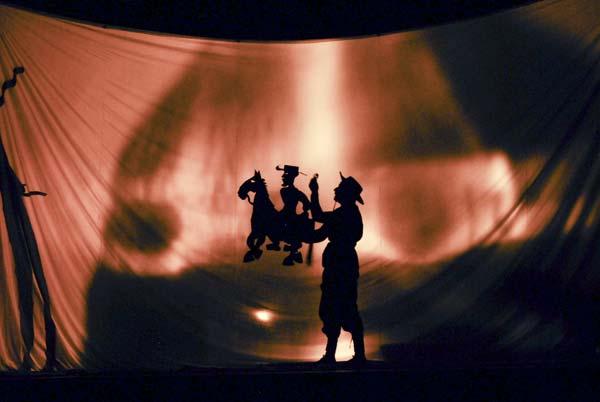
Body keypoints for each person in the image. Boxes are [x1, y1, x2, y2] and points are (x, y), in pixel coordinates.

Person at [309, 172, 366, 364]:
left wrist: (314, 192)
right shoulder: (347, 214)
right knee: (336, 308)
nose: (335, 189)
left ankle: (345, 356)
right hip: (341, 264)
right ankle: (340, 355)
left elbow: (318, 219)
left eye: (339, 188)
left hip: (340, 266)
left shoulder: (344, 214)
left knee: (340, 307)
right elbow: (320, 231)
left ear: (347, 194)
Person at [266, 165, 310, 266]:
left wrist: (304, 211)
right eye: (284, 178)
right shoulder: (291, 192)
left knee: (282, 225)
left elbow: (306, 203)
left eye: (285, 178)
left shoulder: (290, 192)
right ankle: (277, 243)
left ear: (290, 179)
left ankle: (281, 245)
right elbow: (307, 203)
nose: (283, 179)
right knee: (272, 221)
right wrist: (305, 209)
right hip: (286, 213)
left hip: (289, 215)